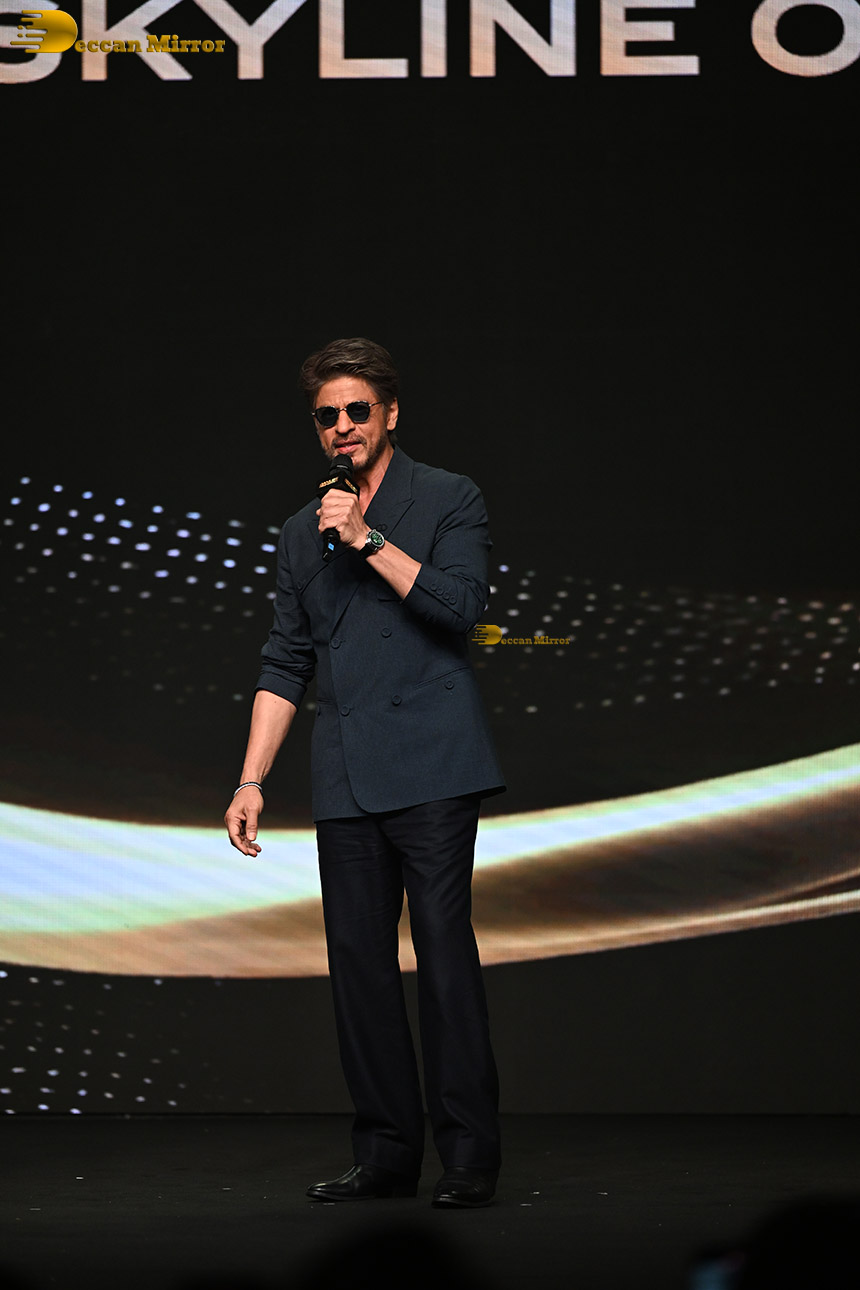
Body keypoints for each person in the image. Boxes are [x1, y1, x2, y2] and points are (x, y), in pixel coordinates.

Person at [224, 337, 505, 1208]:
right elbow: (285, 661)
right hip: (345, 772)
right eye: (326, 416)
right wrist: (250, 781)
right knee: (358, 968)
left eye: (356, 410)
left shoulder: (448, 496)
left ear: (389, 414)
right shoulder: (298, 534)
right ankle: (385, 1153)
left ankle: (468, 1157)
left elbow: (463, 608)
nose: (342, 426)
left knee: (445, 960)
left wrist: (367, 537)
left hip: (435, 764)